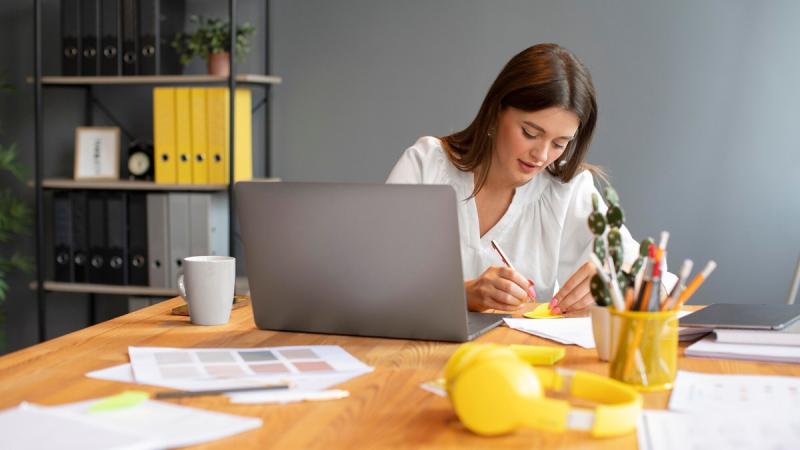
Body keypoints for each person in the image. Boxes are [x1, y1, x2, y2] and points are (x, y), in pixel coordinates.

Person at [387, 43, 668, 314]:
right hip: (415, 356)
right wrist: (462, 294)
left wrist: (617, 281)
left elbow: (653, 276)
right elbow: (371, 280)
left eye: (560, 143)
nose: (542, 155)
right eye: (530, 133)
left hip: (524, 359)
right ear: (497, 111)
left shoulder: (568, 189)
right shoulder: (427, 164)